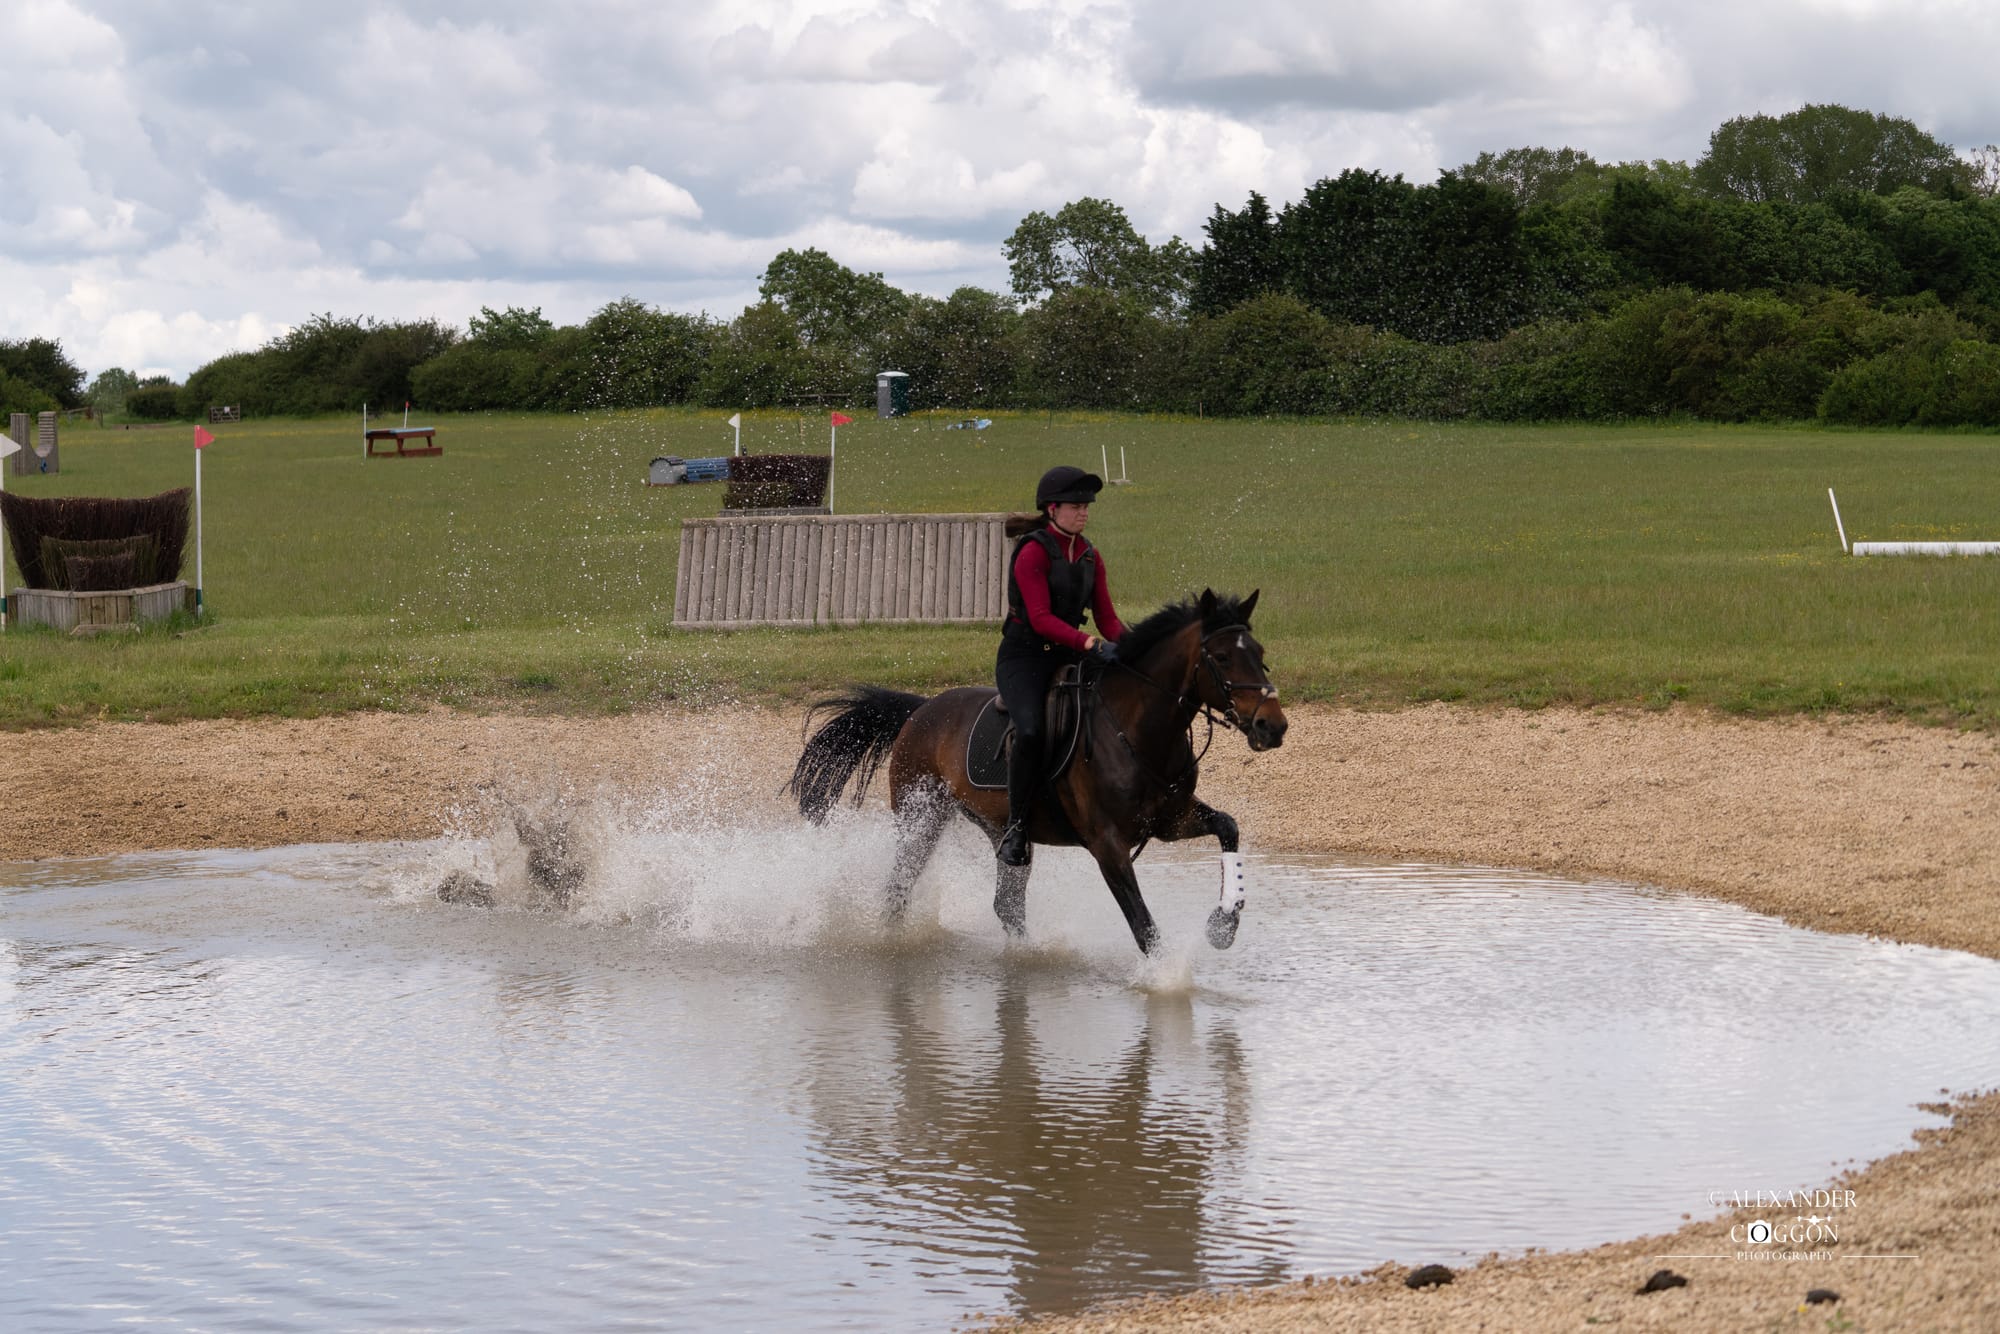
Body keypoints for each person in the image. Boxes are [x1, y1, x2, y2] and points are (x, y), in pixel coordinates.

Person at [994, 465, 1126, 866]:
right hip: (1024, 659)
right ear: (1052, 509)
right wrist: (1088, 642)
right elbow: (1039, 618)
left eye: (1087, 506)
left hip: (1070, 656)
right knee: (1032, 730)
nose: (1084, 512)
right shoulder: (1033, 552)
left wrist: (1138, 648)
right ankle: (1016, 827)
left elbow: (1108, 620)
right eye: (1076, 505)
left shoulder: (1089, 555)